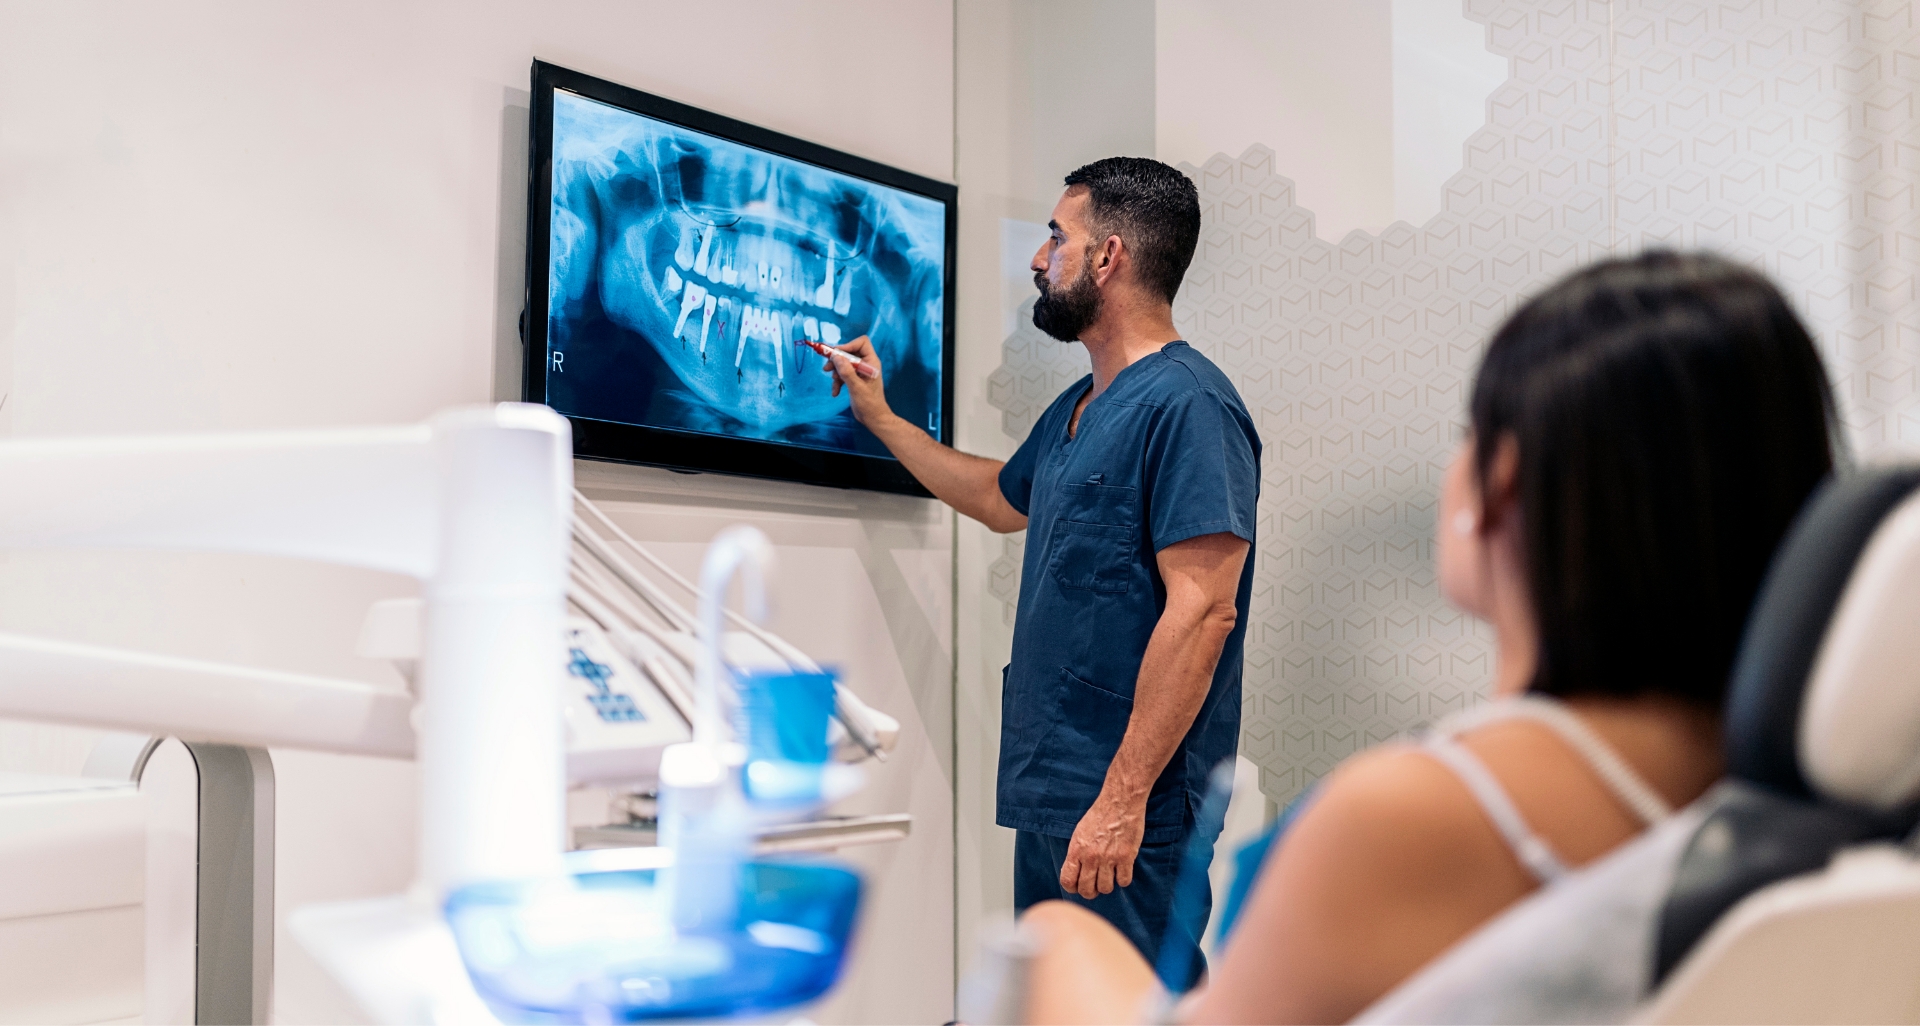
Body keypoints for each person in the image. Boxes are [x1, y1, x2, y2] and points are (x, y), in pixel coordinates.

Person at [1016, 250, 1842, 1024]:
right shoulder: (1807, 806)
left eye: (1468, 430)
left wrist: (1061, 948)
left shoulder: (1408, 814)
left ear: (1502, 482)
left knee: (1055, 942)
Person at [822, 157, 1261, 982]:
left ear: (1109, 257)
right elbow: (997, 496)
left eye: (1056, 236)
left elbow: (1204, 611)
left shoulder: (1191, 406)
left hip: (1132, 806)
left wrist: (1123, 800)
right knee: (1059, 1001)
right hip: (1060, 790)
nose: (1036, 257)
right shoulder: (1079, 407)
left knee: (1134, 1006)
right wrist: (881, 418)